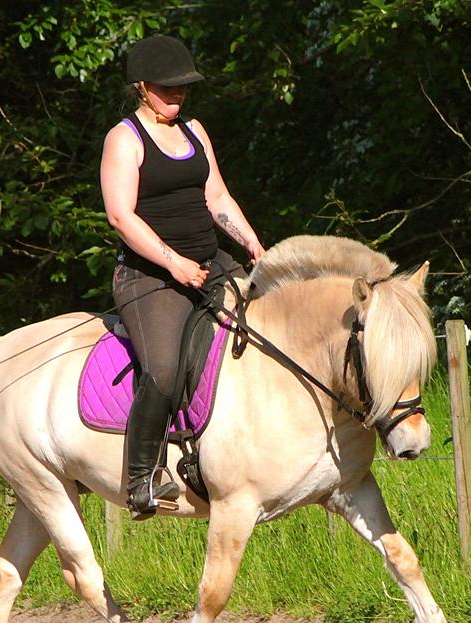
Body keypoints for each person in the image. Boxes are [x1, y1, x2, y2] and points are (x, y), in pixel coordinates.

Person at [100, 34, 264, 515]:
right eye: (167, 88)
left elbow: (218, 198)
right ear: (142, 86)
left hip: (212, 265)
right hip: (150, 278)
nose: (177, 95)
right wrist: (174, 263)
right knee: (165, 370)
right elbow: (120, 216)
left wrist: (254, 245)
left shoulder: (196, 130)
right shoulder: (123, 139)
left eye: (183, 88)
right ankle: (142, 479)